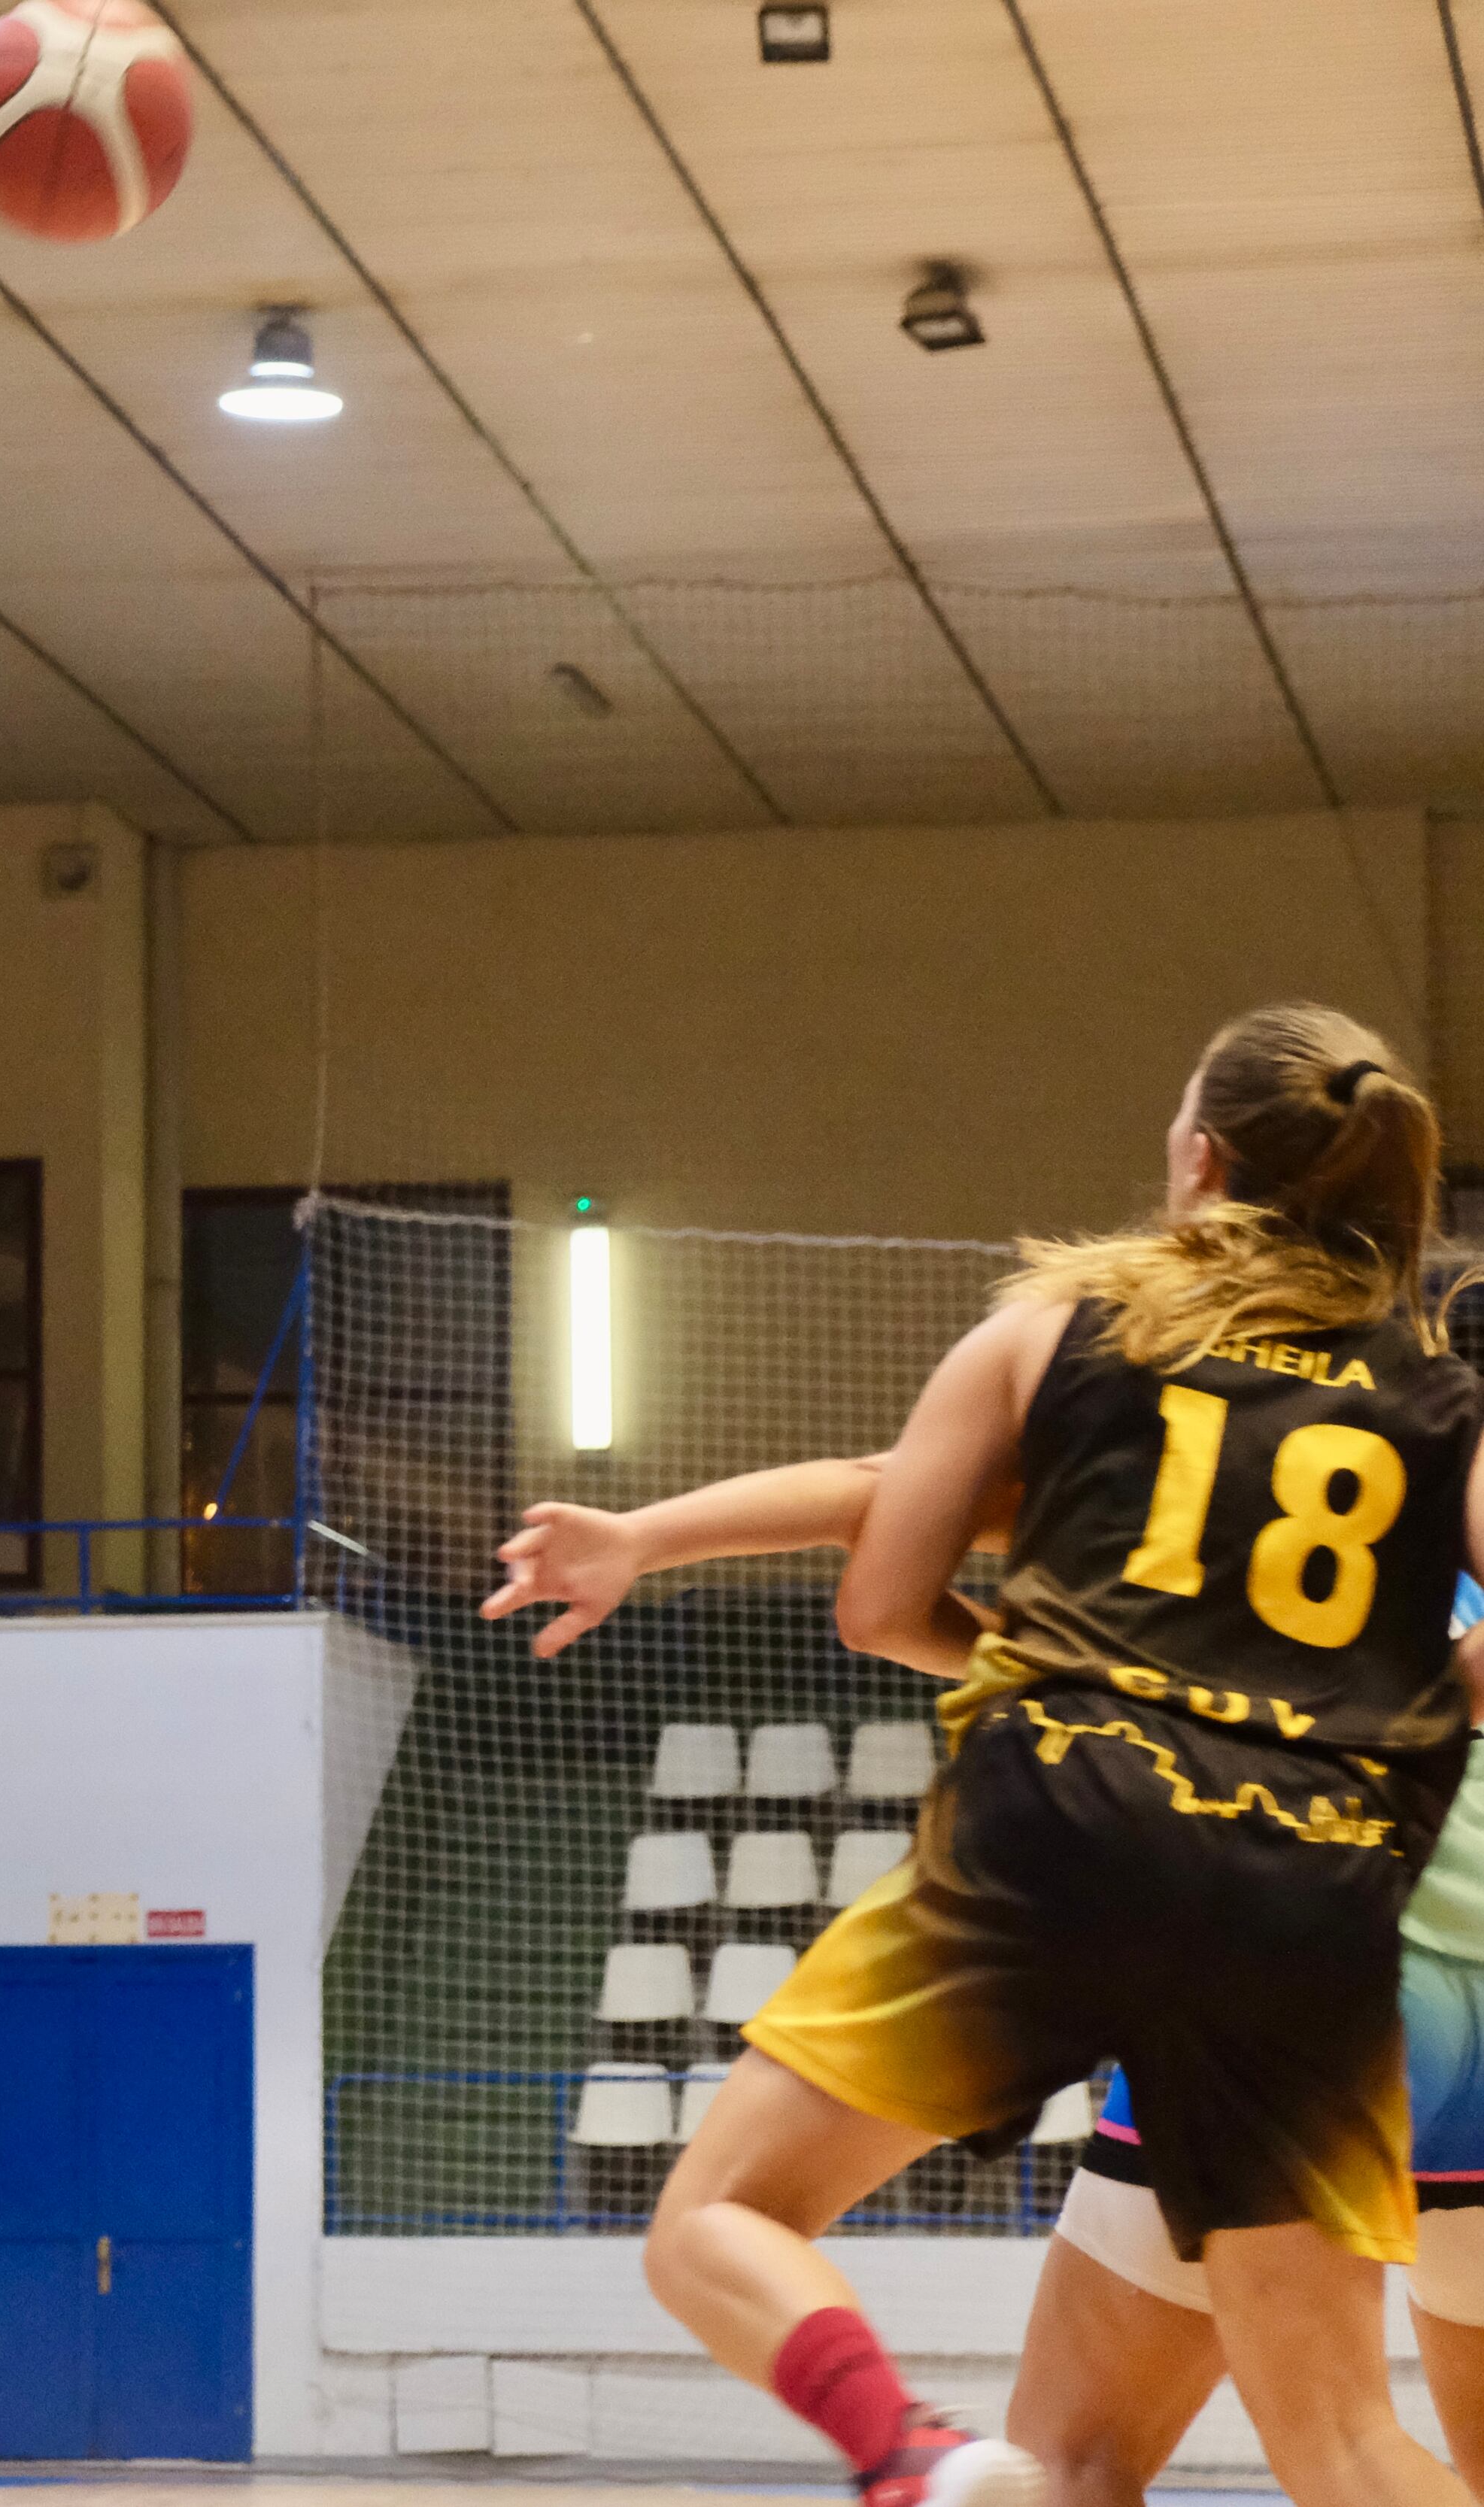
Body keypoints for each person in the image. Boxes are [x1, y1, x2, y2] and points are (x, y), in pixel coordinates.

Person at [482, 1004, 1484, 2507]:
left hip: (1070, 1845)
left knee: (726, 2216)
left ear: (1199, 1160)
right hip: (1327, 1920)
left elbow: (880, 1572)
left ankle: (911, 2452)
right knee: (1337, 2443)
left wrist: (643, 1534)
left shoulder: (1066, 1336)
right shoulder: (1426, 1410)